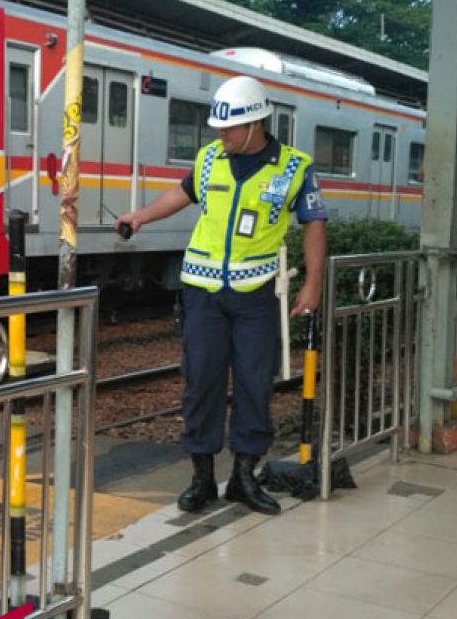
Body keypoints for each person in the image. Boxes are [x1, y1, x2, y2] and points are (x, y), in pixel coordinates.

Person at [115, 76, 328, 516]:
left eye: (229, 128)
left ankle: (244, 477)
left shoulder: (295, 167)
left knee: (254, 384)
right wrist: (141, 216)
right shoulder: (210, 158)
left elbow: (313, 223)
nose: (221, 135)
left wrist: (313, 282)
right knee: (202, 383)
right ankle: (202, 478)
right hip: (202, 292)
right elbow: (182, 192)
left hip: (256, 296)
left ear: (256, 125)